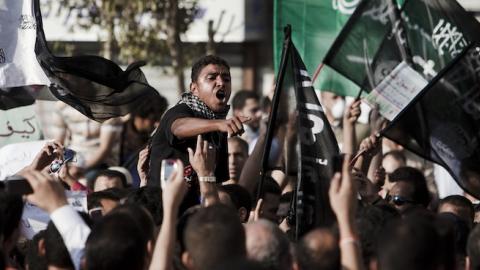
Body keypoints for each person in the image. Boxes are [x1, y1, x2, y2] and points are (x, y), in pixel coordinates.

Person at [149, 55, 249, 190]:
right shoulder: (181, 111)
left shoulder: (218, 126)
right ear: (194, 88)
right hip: (160, 206)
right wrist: (219, 124)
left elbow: (216, 183)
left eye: (226, 79)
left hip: (196, 209)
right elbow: (178, 127)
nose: (221, 83)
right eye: (212, 78)